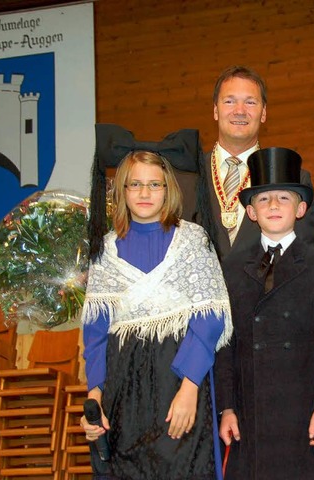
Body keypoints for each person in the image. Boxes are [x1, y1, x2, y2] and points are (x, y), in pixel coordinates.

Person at [80, 125, 233, 480]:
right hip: (122, 391)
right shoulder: (105, 251)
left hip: (177, 380)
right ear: (122, 190)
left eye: (154, 184)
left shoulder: (192, 240)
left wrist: (190, 388)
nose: (145, 192)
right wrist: (96, 397)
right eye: (135, 184)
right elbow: (96, 335)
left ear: (168, 190)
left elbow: (208, 320)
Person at [215, 147, 314, 479]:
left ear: (301, 209)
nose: (273, 206)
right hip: (249, 412)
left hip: (304, 411)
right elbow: (225, 346)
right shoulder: (231, 268)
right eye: (263, 200)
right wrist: (226, 407)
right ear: (251, 212)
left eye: (284, 199)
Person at [175, 65, 314, 259]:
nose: (239, 111)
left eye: (250, 102)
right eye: (229, 101)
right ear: (215, 110)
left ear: (263, 113)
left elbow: (313, 257)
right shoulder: (186, 177)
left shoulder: (294, 179)